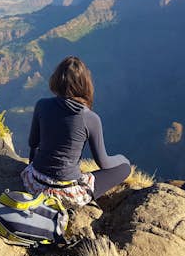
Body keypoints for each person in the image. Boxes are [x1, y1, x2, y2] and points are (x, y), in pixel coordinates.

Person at [21, 56, 131, 207]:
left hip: (33, 184)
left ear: (57, 80)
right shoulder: (90, 118)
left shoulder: (42, 105)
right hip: (64, 193)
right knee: (124, 169)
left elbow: (33, 144)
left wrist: (36, 171)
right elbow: (103, 163)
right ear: (84, 84)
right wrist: (122, 159)